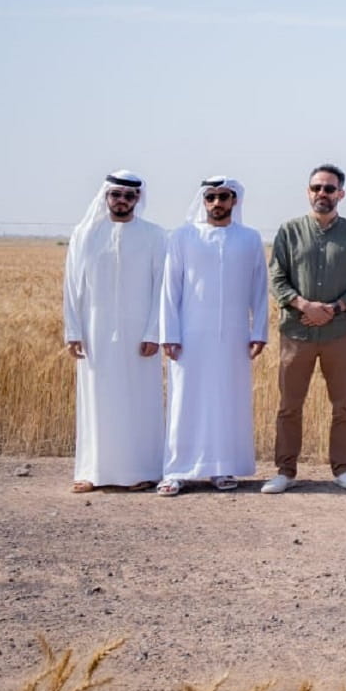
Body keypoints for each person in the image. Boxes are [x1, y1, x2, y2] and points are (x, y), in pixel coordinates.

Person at [263, 165, 346, 494]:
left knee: (343, 403)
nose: (322, 194)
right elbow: (277, 277)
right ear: (308, 191)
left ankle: (343, 469)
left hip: (340, 332)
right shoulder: (289, 231)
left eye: (329, 189)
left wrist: (335, 309)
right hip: (296, 333)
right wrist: (304, 306)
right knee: (289, 404)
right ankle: (285, 470)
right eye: (316, 188)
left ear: (341, 193)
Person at [156, 178, 269, 495]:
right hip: (190, 335)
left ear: (234, 200)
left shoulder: (249, 238)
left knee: (228, 400)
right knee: (185, 400)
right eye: (211, 197)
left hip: (234, 336)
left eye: (223, 197)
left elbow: (259, 289)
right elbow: (170, 288)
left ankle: (222, 467)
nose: (217, 203)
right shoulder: (183, 236)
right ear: (203, 200)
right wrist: (169, 332)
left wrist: (258, 330)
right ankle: (177, 470)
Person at [63, 171, 165, 493]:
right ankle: (91, 471)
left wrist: (154, 332)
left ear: (138, 199)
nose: (122, 201)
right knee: (96, 398)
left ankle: (143, 471)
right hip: (95, 331)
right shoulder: (85, 234)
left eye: (129, 196)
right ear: (107, 196)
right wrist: (73, 330)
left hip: (140, 333)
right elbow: (72, 286)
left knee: (141, 400)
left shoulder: (155, 235)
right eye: (116, 194)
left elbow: (161, 287)